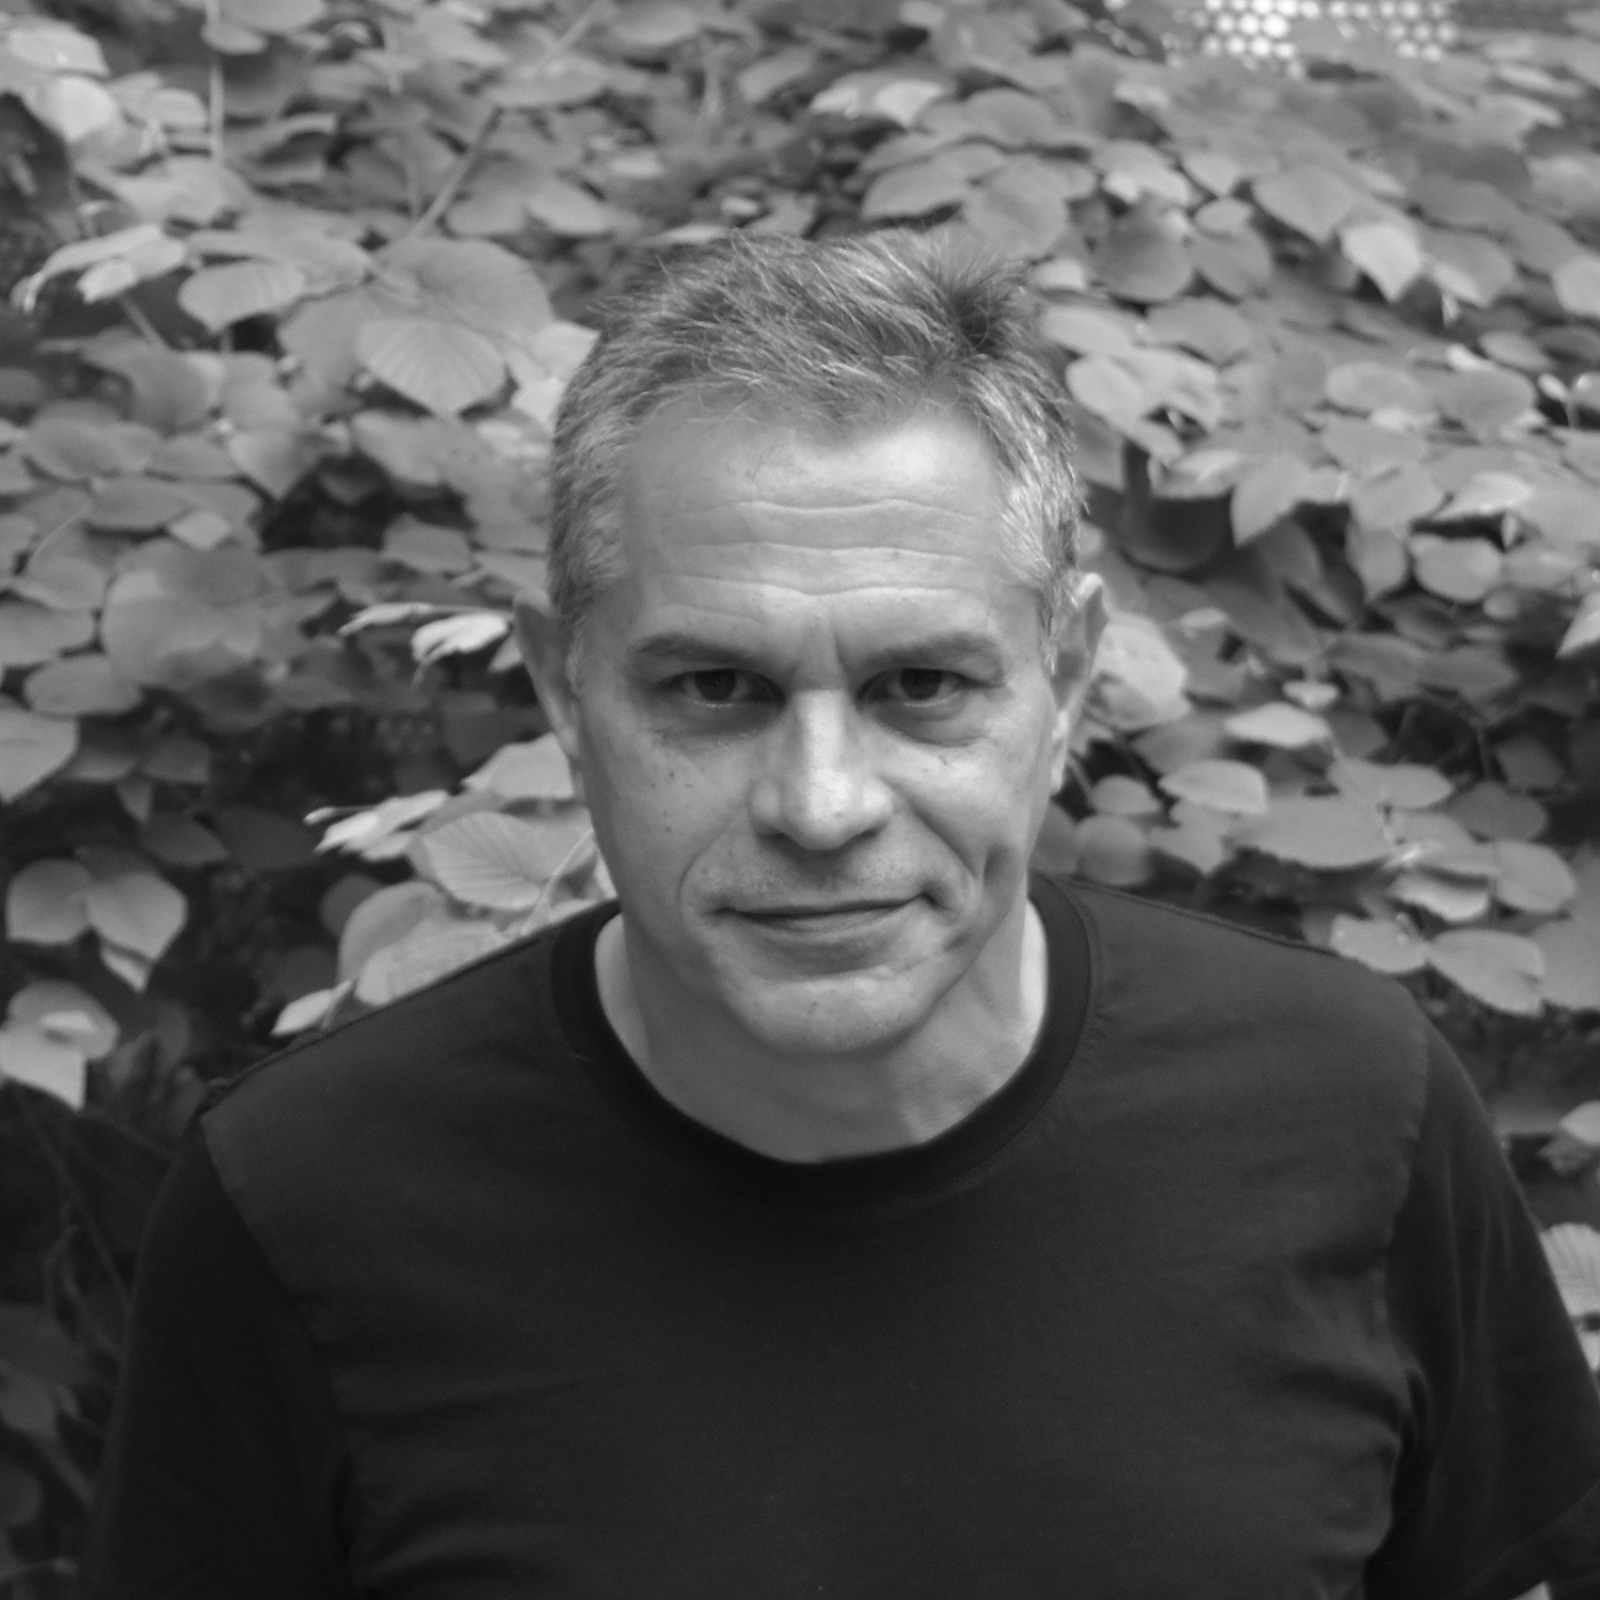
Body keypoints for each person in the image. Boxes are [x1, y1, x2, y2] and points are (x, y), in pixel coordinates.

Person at [84, 231, 1600, 1600]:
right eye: (715, 689)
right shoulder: (302, 1203)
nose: (823, 806)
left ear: (1067, 677)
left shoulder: (1351, 1105)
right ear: (564, 690)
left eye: (921, 687)